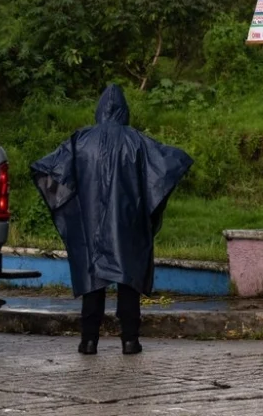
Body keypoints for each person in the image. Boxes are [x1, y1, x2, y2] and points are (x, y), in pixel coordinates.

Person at [31, 84, 193, 355]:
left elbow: (50, 169)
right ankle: (130, 340)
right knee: (128, 278)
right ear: (124, 111)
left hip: (90, 224)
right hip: (127, 223)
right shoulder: (137, 141)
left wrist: (70, 208)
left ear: (99, 110)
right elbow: (165, 168)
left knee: (93, 277)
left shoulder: (80, 140)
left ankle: (89, 340)